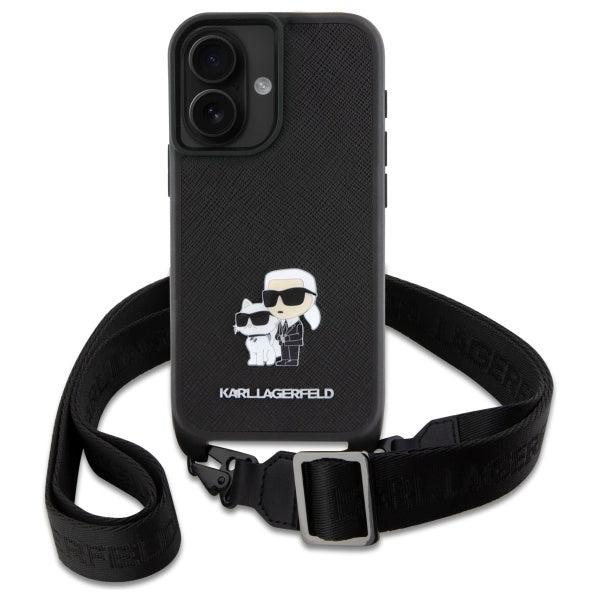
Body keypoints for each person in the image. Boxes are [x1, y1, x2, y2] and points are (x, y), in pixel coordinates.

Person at [262, 268, 321, 366]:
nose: (280, 303)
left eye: (293, 297)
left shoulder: (297, 324)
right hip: (283, 342)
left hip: (293, 342)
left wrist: (286, 337)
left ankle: (293, 360)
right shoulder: (280, 323)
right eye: (272, 296)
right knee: (284, 350)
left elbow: (298, 335)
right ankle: (285, 359)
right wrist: (278, 337)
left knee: (293, 351)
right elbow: (278, 333)